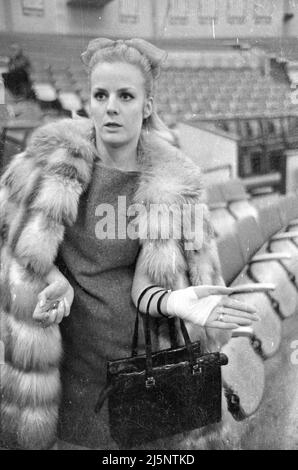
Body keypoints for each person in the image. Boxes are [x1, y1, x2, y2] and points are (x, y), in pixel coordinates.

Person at [0, 38, 258, 450]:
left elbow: (146, 285)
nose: (111, 107)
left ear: (147, 106)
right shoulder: (49, 165)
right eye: (100, 95)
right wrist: (54, 279)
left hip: (145, 368)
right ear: (89, 101)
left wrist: (178, 302)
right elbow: (14, 241)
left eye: (125, 96)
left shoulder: (173, 187)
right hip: (69, 369)